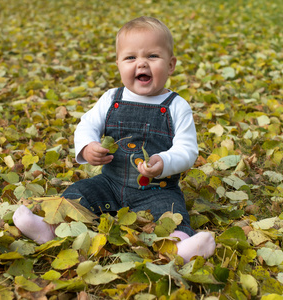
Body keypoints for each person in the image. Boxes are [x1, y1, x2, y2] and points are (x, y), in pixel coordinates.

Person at [13, 16, 215, 263]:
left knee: (170, 214)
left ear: (171, 65)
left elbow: (187, 149)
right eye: (131, 58)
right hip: (109, 182)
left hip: (156, 189)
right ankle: (48, 227)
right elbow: (87, 125)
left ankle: (181, 247)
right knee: (78, 194)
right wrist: (88, 147)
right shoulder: (111, 98)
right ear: (118, 64)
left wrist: (164, 161)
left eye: (152, 56)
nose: (141, 63)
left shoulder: (176, 106)